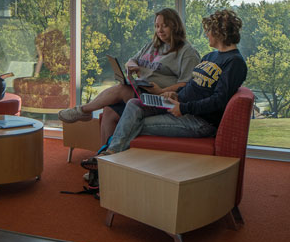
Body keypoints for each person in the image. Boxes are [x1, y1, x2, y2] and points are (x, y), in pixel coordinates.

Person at [83, 9, 247, 166]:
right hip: (178, 104)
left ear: (219, 32)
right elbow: (193, 84)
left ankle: (106, 161)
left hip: (198, 120)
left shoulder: (234, 62)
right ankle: (108, 160)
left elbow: (219, 100)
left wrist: (183, 107)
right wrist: (173, 94)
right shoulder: (211, 56)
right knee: (134, 104)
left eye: (209, 30)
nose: (206, 34)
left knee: (132, 123)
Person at [59, 8, 200, 145]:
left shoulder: (187, 52)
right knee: (109, 111)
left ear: (175, 27)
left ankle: (82, 111)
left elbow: (187, 84)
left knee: (122, 89)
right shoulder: (153, 45)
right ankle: (103, 160)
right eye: (157, 26)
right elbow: (132, 60)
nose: (159, 30)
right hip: (141, 90)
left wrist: (161, 91)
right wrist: (132, 65)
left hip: (161, 99)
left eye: (164, 26)